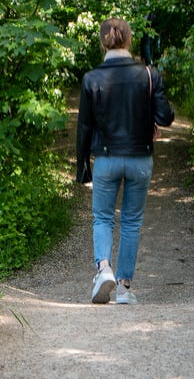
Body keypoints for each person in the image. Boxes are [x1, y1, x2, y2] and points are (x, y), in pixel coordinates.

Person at [75, 17, 175, 304]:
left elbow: (84, 127)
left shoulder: (92, 78)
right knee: (131, 221)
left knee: (103, 217)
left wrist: (83, 165)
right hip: (140, 157)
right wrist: (149, 116)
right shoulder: (148, 75)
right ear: (129, 40)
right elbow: (165, 117)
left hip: (106, 158)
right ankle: (124, 288)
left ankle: (104, 269)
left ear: (102, 42)